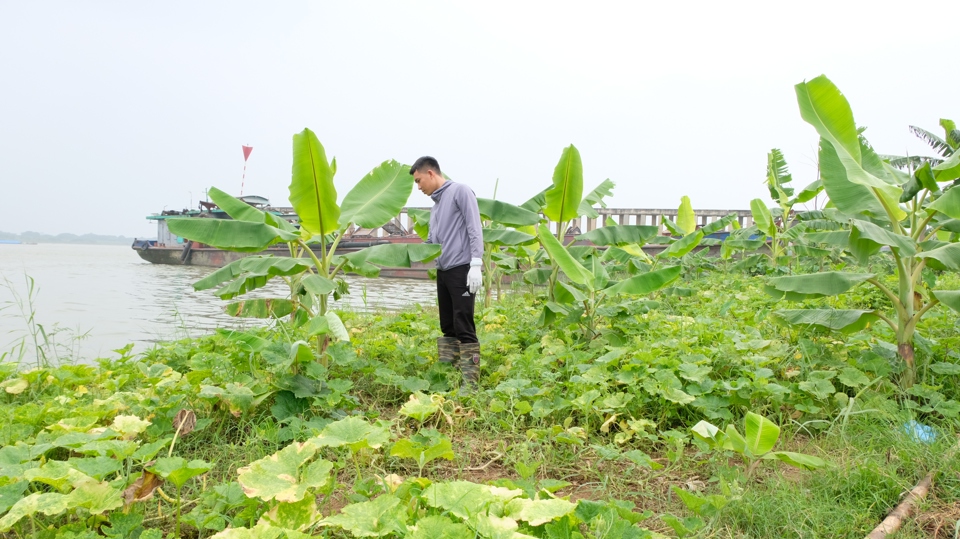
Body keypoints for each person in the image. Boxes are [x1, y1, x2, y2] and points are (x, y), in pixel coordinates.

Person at [410, 156, 484, 394]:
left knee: (464, 323)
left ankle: (470, 382)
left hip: (462, 267)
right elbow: (432, 242)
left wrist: (476, 263)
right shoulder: (436, 207)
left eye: (419, 180)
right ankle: (447, 372)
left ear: (431, 173)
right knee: (447, 324)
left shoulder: (460, 191)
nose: (418, 187)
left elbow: (474, 227)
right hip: (443, 270)